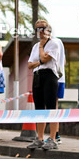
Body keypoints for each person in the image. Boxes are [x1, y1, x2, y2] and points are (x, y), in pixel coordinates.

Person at [26, 21, 62, 151]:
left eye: (42, 28)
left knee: (51, 107)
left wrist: (42, 48)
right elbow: (30, 64)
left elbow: (46, 59)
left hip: (49, 75)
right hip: (38, 76)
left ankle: (52, 138)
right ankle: (39, 138)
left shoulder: (54, 43)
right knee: (39, 108)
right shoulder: (35, 46)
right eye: (37, 29)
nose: (39, 31)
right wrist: (40, 61)